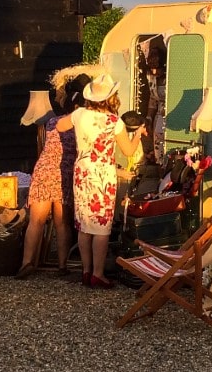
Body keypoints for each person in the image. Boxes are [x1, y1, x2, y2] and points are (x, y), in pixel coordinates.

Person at [56, 73, 146, 289]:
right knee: (102, 228)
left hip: (83, 173)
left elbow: (59, 126)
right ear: (110, 97)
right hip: (104, 175)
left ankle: (86, 272)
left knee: (85, 225)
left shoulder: (79, 114)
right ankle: (98, 274)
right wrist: (138, 134)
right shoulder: (115, 122)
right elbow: (128, 150)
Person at [16, 73, 91, 279]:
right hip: (63, 171)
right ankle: (62, 265)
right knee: (62, 222)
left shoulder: (51, 122)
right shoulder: (82, 125)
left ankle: (27, 262)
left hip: (44, 170)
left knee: (36, 221)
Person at [145, 46, 167, 163]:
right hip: (159, 117)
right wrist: (149, 117)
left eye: (156, 68)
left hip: (170, 115)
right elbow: (153, 99)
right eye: (151, 68)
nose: (154, 71)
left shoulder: (170, 77)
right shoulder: (151, 77)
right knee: (158, 148)